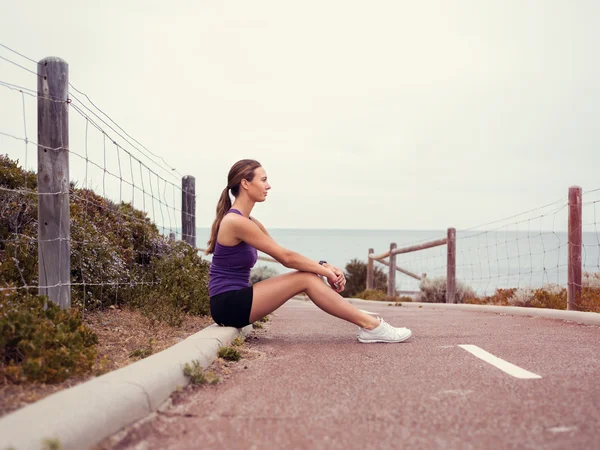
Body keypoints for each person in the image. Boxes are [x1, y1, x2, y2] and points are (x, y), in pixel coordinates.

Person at [205, 159, 412, 343]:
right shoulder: (235, 222)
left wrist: (323, 266)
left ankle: (368, 324)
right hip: (227, 305)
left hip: (236, 299)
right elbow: (286, 258)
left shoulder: (250, 222)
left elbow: (285, 254)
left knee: (307, 276)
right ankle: (371, 325)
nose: (268, 186)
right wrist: (326, 272)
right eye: (263, 179)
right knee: (305, 279)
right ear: (245, 183)